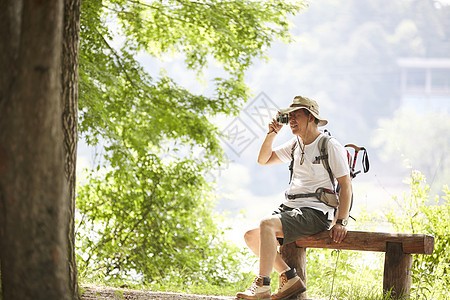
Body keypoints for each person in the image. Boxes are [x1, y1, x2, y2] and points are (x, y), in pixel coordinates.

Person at [236, 96, 352, 300]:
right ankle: (289, 277)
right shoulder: (295, 144)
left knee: (267, 224)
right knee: (250, 236)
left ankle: (262, 285)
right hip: (293, 208)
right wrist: (272, 134)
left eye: (296, 115)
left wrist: (341, 221)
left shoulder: (329, 145)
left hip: (317, 212)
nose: (291, 121)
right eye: (289, 117)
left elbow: (346, 184)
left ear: (311, 117)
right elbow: (263, 160)